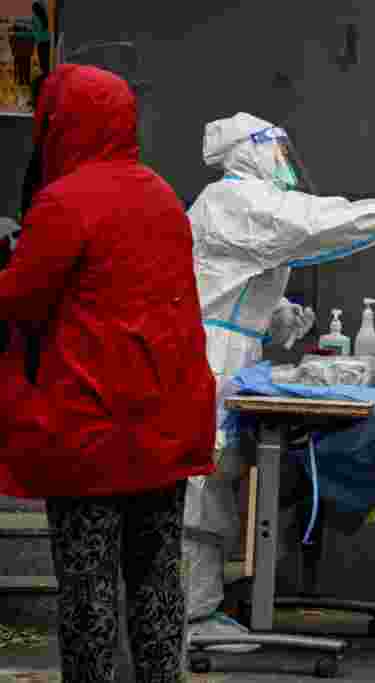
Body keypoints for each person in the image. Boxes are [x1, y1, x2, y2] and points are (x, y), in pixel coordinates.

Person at [0, 64, 217, 683]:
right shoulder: (160, 194)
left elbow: (18, 299)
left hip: (92, 430)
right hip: (168, 426)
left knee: (88, 586)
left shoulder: (65, 200)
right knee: (154, 578)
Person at [184, 111, 375, 646]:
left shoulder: (243, 201)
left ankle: (199, 609)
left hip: (229, 348)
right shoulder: (234, 199)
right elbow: (305, 222)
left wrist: (273, 319)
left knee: (217, 477)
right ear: (248, 149)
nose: (281, 157)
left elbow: (231, 281)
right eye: (273, 146)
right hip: (208, 354)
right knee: (200, 482)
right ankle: (188, 616)